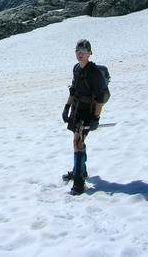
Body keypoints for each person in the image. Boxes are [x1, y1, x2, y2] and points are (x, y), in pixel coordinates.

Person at [61, 39, 106, 195]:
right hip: (77, 109)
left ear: (90, 53)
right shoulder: (76, 69)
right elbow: (73, 90)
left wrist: (96, 118)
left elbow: (100, 98)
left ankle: (79, 182)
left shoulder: (93, 72)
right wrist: (67, 107)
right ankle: (80, 170)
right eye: (78, 51)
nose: (80, 55)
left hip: (88, 111)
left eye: (84, 52)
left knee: (77, 142)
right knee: (78, 141)